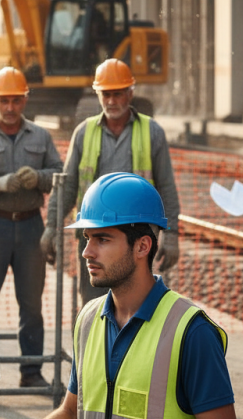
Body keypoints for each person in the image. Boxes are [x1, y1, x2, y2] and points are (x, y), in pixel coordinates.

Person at [45, 172, 236, 419]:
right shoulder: (88, 320)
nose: (87, 252)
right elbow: (70, 411)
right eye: (87, 239)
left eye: (102, 239)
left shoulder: (192, 332)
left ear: (142, 246)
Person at [42, 58, 181, 305]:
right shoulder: (85, 132)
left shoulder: (152, 132)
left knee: (137, 305)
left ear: (130, 93)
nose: (111, 101)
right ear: (98, 94)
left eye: (118, 94)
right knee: (93, 306)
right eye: (106, 94)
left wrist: (171, 235)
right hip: (95, 235)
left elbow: (167, 188)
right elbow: (67, 187)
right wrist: (51, 228)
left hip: (137, 239)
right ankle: (95, 345)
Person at [0, 66, 64, 388]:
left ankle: (31, 372)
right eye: (3, 100)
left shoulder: (41, 136)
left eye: (16, 100)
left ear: (25, 100)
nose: (10, 107)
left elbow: (59, 175)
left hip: (31, 227)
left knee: (31, 305)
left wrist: (40, 178)